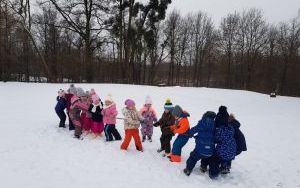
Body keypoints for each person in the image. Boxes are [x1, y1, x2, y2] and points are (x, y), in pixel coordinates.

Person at [183, 111, 216, 176]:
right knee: (206, 156)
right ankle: (203, 167)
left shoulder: (202, 123)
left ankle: (188, 169)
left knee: (193, 157)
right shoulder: (215, 124)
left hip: (200, 149)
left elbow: (195, 129)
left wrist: (189, 133)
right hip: (210, 150)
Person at [215, 106, 236, 174]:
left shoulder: (219, 116)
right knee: (228, 153)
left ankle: (224, 167)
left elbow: (217, 138)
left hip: (224, 150)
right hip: (233, 150)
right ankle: (228, 165)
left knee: (221, 152)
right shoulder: (231, 128)